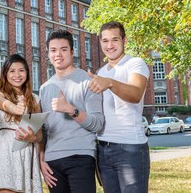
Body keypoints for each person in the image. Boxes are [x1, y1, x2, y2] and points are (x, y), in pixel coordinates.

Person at [88, 21, 150, 193]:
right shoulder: (101, 72)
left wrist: (109, 83)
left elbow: (135, 94)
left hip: (130, 148)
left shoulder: (135, 63)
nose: (110, 45)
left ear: (125, 40)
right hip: (103, 148)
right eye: (105, 40)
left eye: (115, 39)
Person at [39, 29, 104, 193]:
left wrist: (70, 109)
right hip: (52, 161)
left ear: (72, 52)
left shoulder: (88, 81)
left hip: (81, 156)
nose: (58, 54)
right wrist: (41, 159)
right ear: (48, 53)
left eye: (63, 49)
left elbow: (97, 124)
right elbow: (44, 131)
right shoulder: (45, 88)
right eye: (53, 50)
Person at [0, 54, 43, 193]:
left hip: (28, 150)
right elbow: (5, 105)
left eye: (21, 70)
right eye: (12, 71)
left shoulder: (35, 99)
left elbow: (40, 135)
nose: (17, 74)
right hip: (6, 149)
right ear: (5, 74)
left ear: (27, 73)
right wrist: (16, 108)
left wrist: (32, 138)